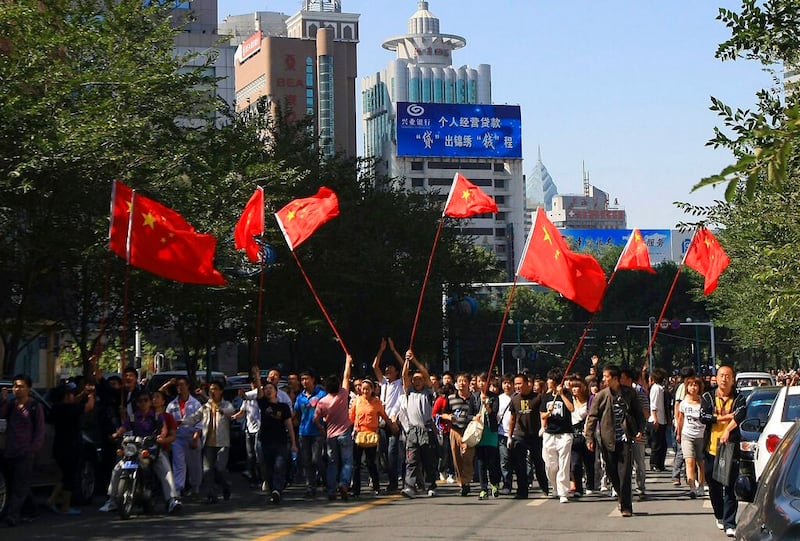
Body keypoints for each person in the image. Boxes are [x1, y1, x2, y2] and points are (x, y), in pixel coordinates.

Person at [99, 391, 182, 514]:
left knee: (166, 470)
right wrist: (116, 434)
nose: (143, 403)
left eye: (145, 400)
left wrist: (161, 436)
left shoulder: (156, 416)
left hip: (151, 448)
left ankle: (172, 500)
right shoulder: (133, 416)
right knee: (117, 469)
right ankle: (112, 500)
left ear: (149, 403)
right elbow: (125, 426)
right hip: (135, 448)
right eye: (140, 401)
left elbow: (163, 428)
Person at [585, 365, 645, 518]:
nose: (603, 379)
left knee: (625, 474)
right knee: (612, 473)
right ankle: (620, 495)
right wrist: (589, 437)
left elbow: (638, 413)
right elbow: (592, 417)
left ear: (615, 378)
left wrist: (639, 430)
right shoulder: (601, 396)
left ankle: (626, 506)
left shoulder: (629, 393)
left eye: (606, 376)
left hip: (625, 439)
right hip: (607, 439)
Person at [700, 365, 746, 537]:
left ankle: (729, 522)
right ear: (716, 378)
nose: (724, 379)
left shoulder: (739, 398)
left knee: (730, 485)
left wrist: (728, 429)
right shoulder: (708, 397)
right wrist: (722, 418)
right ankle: (719, 514)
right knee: (714, 486)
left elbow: (740, 415)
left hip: (730, 447)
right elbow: (703, 416)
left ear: (733, 379)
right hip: (711, 448)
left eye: (728, 376)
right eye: (721, 376)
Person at [0, 375, 46, 527]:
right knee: (15, 483)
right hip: (10, 450)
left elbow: (40, 430)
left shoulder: (34, 407)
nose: (17, 389)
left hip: (26, 451)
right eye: (15, 386)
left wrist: (33, 448)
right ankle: (32, 509)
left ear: (28, 388)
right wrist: (4, 400)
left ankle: (12, 515)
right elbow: (2, 414)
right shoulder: (12, 405)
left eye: (20, 386)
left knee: (20, 485)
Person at [181, 380, 235, 504]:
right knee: (207, 470)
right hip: (208, 442)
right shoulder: (206, 407)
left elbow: (231, 413)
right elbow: (195, 417)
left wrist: (221, 410)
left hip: (222, 442)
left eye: (215, 389)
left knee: (220, 468)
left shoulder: (226, 404)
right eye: (211, 389)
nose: (212, 391)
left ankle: (226, 486)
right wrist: (181, 422)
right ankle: (211, 494)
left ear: (221, 391)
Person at [48, 381, 95, 515]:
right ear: (67, 396)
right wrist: (91, 395)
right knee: (69, 477)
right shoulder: (70, 409)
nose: (73, 396)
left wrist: (82, 394)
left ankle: (52, 499)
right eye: (71, 394)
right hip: (71, 446)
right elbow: (88, 407)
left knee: (65, 476)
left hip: (58, 446)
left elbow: (75, 402)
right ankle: (65, 506)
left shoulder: (56, 408)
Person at [314, 354, 354, 500]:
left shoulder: (322, 402)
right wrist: (348, 361)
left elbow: (315, 419)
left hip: (330, 435)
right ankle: (344, 484)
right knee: (347, 461)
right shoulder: (343, 395)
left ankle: (331, 490)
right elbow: (346, 376)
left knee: (332, 463)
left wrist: (321, 427)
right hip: (344, 432)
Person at [399, 349, 437, 499]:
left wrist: (414, 360)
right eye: (414, 379)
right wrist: (407, 361)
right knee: (411, 460)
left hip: (426, 429)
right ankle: (410, 486)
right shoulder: (409, 391)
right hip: (413, 431)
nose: (416, 381)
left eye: (419, 379)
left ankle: (430, 485)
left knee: (428, 460)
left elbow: (425, 373)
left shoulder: (428, 392)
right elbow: (403, 376)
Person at [507, 373, 548, 499]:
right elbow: (512, 418)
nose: (517, 386)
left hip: (535, 435)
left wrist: (543, 428)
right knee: (520, 465)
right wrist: (510, 436)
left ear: (527, 383)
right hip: (520, 435)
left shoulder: (538, 397)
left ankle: (545, 487)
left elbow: (542, 414)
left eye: (520, 383)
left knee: (538, 463)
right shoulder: (514, 400)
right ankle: (522, 491)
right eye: (516, 384)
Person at [372, 337, 404, 493]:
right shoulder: (383, 383)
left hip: (394, 421)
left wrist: (393, 350)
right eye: (386, 368)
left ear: (397, 372)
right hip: (381, 421)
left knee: (392, 452)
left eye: (391, 368)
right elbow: (374, 365)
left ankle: (393, 483)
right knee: (381, 452)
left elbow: (405, 365)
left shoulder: (400, 383)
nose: (387, 370)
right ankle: (387, 478)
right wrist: (381, 350)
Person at [349, 378, 391, 497]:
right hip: (359, 434)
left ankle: (376, 486)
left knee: (370, 462)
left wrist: (392, 426)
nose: (365, 391)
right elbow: (351, 418)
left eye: (368, 389)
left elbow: (384, 416)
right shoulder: (357, 401)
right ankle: (356, 489)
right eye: (363, 389)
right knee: (356, 463)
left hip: (371, 435)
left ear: (372, 389)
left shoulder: (377, 402)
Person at [257, 381, 297, 504]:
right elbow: (259, 391)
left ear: (276, 392)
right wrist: (258, 377)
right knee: (267, 467)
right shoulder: (263, 404)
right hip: (265, 441)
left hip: (281, 441)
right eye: (266, 388)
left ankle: (277, 490)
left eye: (271, 388)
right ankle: (273, 490)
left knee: (279, 466)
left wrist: (294, 443)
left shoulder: (284, 407)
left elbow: (289, 425)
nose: (268, 390)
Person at [441, 372, 479, 496]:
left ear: (469, 383)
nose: (462, 383)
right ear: (456, 384)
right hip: (455, 430)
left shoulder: (473, 398)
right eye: (459, 381)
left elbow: (477, 413)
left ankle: (467, 481)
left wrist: (475, 418)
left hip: (469, 430)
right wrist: (449, 417)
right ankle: (461, 482)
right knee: (457, 458)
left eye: (464, 381)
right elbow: (443, 413)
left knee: (468, 456)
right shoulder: (451, 398)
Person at [540, 369, 575, 503]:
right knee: (550, 465)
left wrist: (562, 395)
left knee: (563, 464)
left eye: (550, 380)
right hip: (549, 434)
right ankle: (555, 485)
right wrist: (548, 414)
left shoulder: (566, 394)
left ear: (555, 382)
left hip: (564, 434)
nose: (548, 381)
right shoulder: (546, 397)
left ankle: (563, 492)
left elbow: (571, 408)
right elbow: (542, 415)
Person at [166, 376, 203, 498]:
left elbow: (200, 422)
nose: (180, 388)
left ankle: (195, 487)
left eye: (182, 385)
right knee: (178, 464)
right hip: (177, 438)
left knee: (194, 465)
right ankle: (178, 489)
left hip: (192, 436)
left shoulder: (195, 403)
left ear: (187, 386)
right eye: (177, 385)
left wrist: (195, 437)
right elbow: (168, 422)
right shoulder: (172, 405)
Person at [294, 369, 327, 499]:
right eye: (302, 379)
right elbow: (296, 413)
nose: (304, 382)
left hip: (318, 431)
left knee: (316, 459)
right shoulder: (300, 397)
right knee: (307, 461)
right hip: (304, 432)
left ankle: (326, 481)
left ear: (313, 379)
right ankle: (310, 488)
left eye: (306, 378)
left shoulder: (321, 394)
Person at [619, 367, 650, 500]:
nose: (620, 381)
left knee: (639, 463)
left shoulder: (639, 394)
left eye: (622, 378)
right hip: (622, 433)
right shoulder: (617, 395)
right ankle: (624, 490)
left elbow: (646, 414)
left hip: (638, 432)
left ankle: (640, 487)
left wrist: (636, 405)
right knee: (625, 464)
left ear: (629, 379)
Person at [676, 375, 706, 499]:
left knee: (701, 463)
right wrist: (678, 433)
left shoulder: (703, 402)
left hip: (701, 436)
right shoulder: (683, 403)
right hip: (687, 435)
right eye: (690, 385)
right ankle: (692, 487)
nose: (693, 388)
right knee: (689, 461)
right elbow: (680, 419)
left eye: (695, 385)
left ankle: (701, 486)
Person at [232, 373, 263, 488]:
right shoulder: (247, 397)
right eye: (252, 382)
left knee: (258, 454)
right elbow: (242, 411)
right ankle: (253, 477)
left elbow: (249, 394)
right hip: (249, 429)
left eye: (255, 382)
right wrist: (234, 417)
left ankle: (261, 478)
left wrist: (243, 394)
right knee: (250, 455)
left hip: (259, 428)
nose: (253, 384)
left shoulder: (260, 393)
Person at [474, 372, 501, 500]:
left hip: (491, 432)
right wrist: (474, 417)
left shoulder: (495, 397)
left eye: (484, 381)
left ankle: (494, 484)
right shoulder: (474, 397)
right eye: (479, 381)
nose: (481, 383)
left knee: (492, 461)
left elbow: (494, 412)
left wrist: (486, 404)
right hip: (478, 433)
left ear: (488, 382)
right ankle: (483, 489)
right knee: (481, 462)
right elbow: (469, 414)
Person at [568, 376, 594, 497]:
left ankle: (590, 485)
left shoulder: (589, 401)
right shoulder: (570, 401)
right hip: (573, 435)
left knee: (589, 462)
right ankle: (578, 488)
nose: (574, 389)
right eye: (572, 387)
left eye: (576, 387)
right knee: (575, 464)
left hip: (586, 434)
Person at [671, 366, 695, 487]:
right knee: (681, 451)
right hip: (682, 422)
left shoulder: (693, 386)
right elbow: (677, 405)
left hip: (692, 424)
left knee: (690, 453)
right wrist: (677, 422)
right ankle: (676, 474)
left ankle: (688, 476)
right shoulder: (682, 387)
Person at [432, 383, 455, 484]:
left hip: (453, 429)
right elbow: (434, 413)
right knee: (445, 453)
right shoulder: (441, 400)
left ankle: (451, 472)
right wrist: (444, 416)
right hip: (444, 430)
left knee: (452, 453)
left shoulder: (453, 400)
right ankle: (443, 470)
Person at [496, 373, 515, 494]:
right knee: (504, 460)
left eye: (509, 382)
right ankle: (506, 484)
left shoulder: (517, 397)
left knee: (517, 460)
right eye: (504, 383)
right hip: (502, 433)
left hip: (517, 433)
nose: (507, 385)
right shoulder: (499, 398)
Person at [648, 368, 668, 471]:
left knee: (662, 444)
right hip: (657, 419)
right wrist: (655, 418)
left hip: (662, 419)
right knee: (656, 444)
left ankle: (660, 463)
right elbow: (653, 404)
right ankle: (654, 463)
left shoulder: (661, 388)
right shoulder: (655, 388)